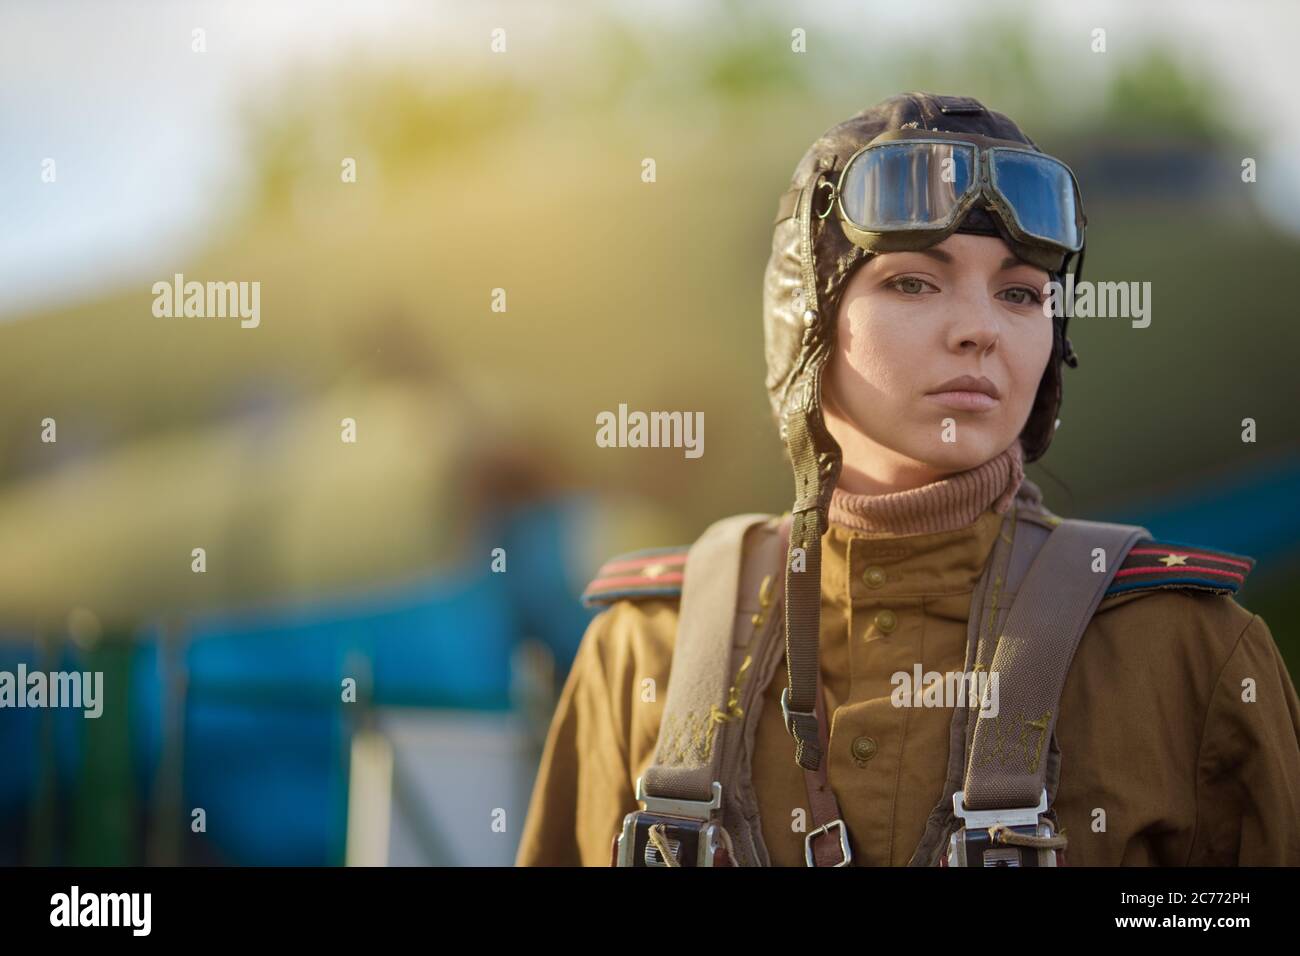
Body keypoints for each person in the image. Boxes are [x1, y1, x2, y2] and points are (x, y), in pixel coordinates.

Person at [515, 93, 1300, 867]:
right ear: (808, 317)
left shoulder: (1189, 654)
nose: (981, 329)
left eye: (1021, 292)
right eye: (913, 283)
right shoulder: (648, 650)